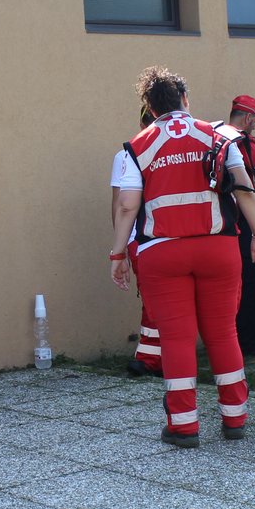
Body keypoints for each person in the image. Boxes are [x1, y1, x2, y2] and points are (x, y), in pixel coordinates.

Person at [110, 67, 255, 447]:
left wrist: (118, 253)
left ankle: (183, 426)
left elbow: (127, 206)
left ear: (149, 107)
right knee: (222, 332)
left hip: (161, 253)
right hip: (218, 247)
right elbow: (245, 189)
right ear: (185, 99)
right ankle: (234, 418)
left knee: (177, 339)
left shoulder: (136, 146)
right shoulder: (219, 135)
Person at [214, 95, 255, 355]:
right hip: (245, 224)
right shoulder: (243, 140)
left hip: (221, 221)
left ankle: (224, 343)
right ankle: (248, 344)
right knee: (251, 284)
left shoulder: (214, 135)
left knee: (227, 287)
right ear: (249, 117)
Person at [112, 109, 161, 376]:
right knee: (153, 300)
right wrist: (119, 248)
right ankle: (151, 356)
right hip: (140, 237)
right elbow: (119, 204)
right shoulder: (125, 154)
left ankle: (151, 356)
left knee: (158, 300)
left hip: (158, 236)